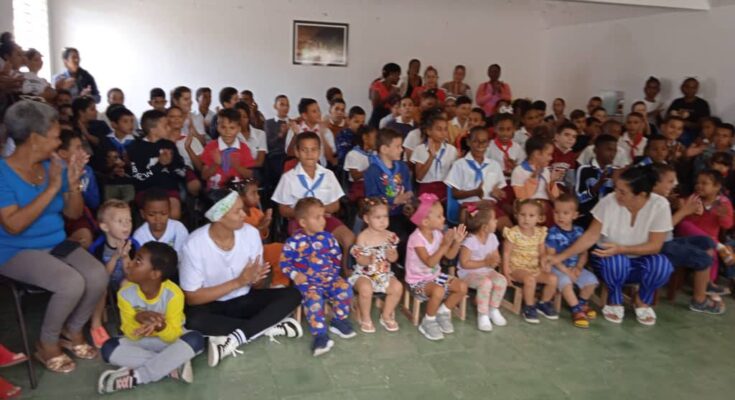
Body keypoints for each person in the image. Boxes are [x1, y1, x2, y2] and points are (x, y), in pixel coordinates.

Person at [0, 100, 105, 373]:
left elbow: (73, 213)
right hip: (15, 250)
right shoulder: (3, 173)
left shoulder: (52, 167)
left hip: (56, 243)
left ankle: (72, 331)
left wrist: (72, 184)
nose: (59, 142)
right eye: (56, 136)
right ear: (35, 138)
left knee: (97, 275)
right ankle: (47, 344)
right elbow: (13, 225)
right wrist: (53, 187)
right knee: (70, 282)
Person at [179, 190, 302, 367]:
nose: (244, 215)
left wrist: (256, 279)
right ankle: (268, 327)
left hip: (245, 299)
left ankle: (234, 338)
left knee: (293, 295)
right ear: (219, 217)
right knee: (193, 320)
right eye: (237, 211)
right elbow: (192, 298)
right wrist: (239, 282)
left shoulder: (251, 234)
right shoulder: (193, 245)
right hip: (212, 306)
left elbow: (257, 284)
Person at [548, 165, 674, 326]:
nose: (617, 194)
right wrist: (560, 257)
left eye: (623, 192)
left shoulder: (660, 205)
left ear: (641, 194)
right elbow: (591, 236)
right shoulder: (609, 201)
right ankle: (614, 301)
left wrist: (623, 249)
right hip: (608, 259)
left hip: (640, 260)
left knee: (662, 265)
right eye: (616, 189)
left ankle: (642, 300)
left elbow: (655, 246)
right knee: (617, 261)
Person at [98, 242, 204, 394]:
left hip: (170, 342)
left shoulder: (173, 294)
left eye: (138, 261)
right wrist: (138, 317)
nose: (130, 264)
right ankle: (172, 366)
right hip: (142, 342)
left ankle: (138, 377)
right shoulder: (125, 293)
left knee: (195, 339)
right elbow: (129, 333)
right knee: (108, 348)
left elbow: (173, 335)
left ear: (155, 274)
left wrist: (160, 326)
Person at [280, 198, 356, 356]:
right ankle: (320, 335)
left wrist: (334, 273)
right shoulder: (293, 242)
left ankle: (338, 321)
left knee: (345, 288)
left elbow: (336, 256)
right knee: (314, 300)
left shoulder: (328, 238)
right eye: (317, 217)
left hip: (329, 278)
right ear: (303, 222)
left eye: (323, 216)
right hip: (307, 282)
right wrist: (295, 274)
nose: (323, 220)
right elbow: (284, 263)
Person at [652, 164, 725, 314]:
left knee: (707, 242)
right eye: (670, 181)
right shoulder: (652, 201)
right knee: (703, 258)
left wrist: (678, 207)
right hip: (658, 245)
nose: (675, 184)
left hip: (667, 241)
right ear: (655, 183)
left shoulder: (661, 199)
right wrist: (684, 211)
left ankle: (706, 282)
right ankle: (699, 301)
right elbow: (661, 229)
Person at [273, 132, 355, 263]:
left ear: (319, 151)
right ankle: (307, 273)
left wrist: (318, 213)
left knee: (349, 239)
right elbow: (283, 209)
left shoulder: (328, 175)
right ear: (297, 152)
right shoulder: (288, 178)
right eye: (304, 150)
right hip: (300, 222)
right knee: (306, 246)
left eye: (313, 150)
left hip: (324, 219)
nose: (309, 154)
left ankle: (346, 271)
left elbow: (336, 205)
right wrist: (305, 215)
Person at [405, 193, 469, 341]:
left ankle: (443, 312)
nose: (444, 219)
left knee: (462, 287)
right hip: (417, 282)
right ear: (425, 221)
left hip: (435, 277)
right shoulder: (416, 239)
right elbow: (430, 263)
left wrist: (457, 242)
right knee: (438, 290)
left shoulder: (438, 234)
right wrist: (445, 244)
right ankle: (428, 321)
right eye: (439, 216)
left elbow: (450, 256)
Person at [88, 199, 140, 348]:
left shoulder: (133, 244)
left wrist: (125, 256)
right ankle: (96, 325)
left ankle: (129, 322)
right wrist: (115, 256)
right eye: (120, 221)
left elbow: (131, 274)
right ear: (104, 226)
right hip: (104, 283)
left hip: (124, 281)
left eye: (129, 220)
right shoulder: (98, 247)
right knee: (100, 287)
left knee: (127, 283)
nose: (126, 225)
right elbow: (101, 276)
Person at [350, 197, 403, 333]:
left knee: (397, 287)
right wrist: (367, 259)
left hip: (384, 274)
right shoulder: (363, 237)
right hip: (364, 274)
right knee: (365, 289)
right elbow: (359, 260)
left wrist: (392, 256)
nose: (382, 221)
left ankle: (386, 315)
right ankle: (366, 318)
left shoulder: (391, 236)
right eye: (378, 217)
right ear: (367, 219)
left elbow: (394, 258)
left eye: (385, 216)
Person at [545, 194, 599, 328]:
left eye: (565, 213)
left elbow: (583, 252)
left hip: (574, 267)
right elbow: (551, 257)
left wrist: (579, 267)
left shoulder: (579, 232)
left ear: (575, 215)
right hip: (557, 268)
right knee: (566, 282)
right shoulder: (552, 232)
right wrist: (567, 271)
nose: (560, 216)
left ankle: (582, 303)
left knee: (592, 281)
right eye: (557, 212)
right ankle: (576, 309)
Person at [502, 199, 558, 323]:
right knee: (530, 279)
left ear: (539, 218)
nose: (526, 219)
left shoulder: (539, 233)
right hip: (517, 268)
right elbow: (506, 253)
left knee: (553, 279)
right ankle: (529, 306)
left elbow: (542, 253)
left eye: (531, 216)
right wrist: (506, 272)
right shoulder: (513, 233)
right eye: (523, 215)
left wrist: (545, 264)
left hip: (534, 268)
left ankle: (544, 303)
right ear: (517, 215)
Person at [128, 110, 190, 220]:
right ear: (153, 130)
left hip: (169, 189)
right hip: (146, 191)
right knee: (156, 215)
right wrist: (160, 165)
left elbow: (181, 171)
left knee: (174, 213)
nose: (169, 128)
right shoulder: (136, 148)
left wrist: (170, 164)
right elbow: (139, 177)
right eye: (166, 126)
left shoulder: (169, 145)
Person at [364, 128, 414, 258]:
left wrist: (408, 203)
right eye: (397, 146)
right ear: (384, 149)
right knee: (400, 238)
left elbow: (408, 189)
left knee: (419, 230)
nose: (401, 150)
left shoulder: (402, 167)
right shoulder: (372, 171)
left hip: (403, 213)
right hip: (384, 217)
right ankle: (398, 264)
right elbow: (371, 199)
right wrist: (394, 200)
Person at [457, 205, 507, 331]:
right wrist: (485, 262)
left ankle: (493, 309)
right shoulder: (470, 241)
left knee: (501, 280)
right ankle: (483, 314)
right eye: (494, 219)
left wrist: (495, 261)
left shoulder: (493, 237)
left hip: (487, 271)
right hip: (468, 274)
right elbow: (464, 263)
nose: (496, 221)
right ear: (485, 227)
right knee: (486, 283)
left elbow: (495, 256)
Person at [445, 126, 508, 226]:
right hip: (469, 206)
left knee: (508, 228)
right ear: (468, 142)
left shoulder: (494, 165)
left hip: (489, 206)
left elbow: (500, 192)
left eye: (484, 141)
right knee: (475, 225)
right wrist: (474, 192)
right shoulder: (459, 165)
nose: (480, 145)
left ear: (488, 143)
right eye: (475, 141)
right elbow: (455, 194)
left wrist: (499, 194)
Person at [201, 108, 255, 190]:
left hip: (237, 190)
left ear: (238, 129)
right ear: (218, 127)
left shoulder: (244, 148)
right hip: (216, 190)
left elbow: (250, 175)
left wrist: (237, 167)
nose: (227, 132)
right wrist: (216, 164)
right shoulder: (211, 147)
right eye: (223, 127)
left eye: (232, 128)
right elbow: (204, 176)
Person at [411, 110, 457, 202]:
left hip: (445, 189)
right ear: (429, 131)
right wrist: (431, 157)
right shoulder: (420, 149)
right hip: (426, 189)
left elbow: (454, 175)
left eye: (445, 129)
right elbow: (419, 177)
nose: (443, 133)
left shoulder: (452, 150)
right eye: (439, 129)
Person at [575, 134, 620, 226]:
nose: (612, 154)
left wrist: (616, 184)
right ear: (595, 150)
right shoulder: (584, 170)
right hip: (587, 219)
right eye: (609, 149)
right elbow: (579, 198)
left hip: (609, 220)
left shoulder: (615, 172)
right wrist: (598, 185)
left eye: (615, 150)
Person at [133, 189, 190, 254]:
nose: (158, 219)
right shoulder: (139, 235)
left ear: (169, 211)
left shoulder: (179, 229)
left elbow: (183, 255)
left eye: (163, 213)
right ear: (143, 214)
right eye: (151, 215)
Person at [285, 98, 336, 167]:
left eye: (319, 110)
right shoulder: (295, 129)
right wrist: (295, 135)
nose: (319, 114)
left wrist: (322, 135)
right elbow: (290, 154)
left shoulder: (326, 131)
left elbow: (330, 158)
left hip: (321, 169)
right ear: (304, 115)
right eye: (314, 111)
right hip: (299, 168)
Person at [263, 94, 291, 199]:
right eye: (282, 104)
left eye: (287, 105)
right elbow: (269, 144)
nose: (285, 107)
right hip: (275, 157)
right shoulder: (269, 123)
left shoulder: (293, 122)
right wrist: (281, 134)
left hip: (290, 155)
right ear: (275, 106)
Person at [343, 126, 376, 202]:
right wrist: (371, 169)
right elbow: (355, 176)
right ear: (365, 138)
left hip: (372, 184)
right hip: (359, 187)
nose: (377, 141)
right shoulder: (353, 154)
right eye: (375, 137)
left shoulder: (374, 153)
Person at [486, 113, 525, 178]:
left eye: (508, 129)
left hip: (513, 180)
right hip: (494, 180)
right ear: (495, 129)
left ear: (514, 129)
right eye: (501, 129)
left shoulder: (517, 147)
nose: (505, 133)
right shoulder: (489, 146)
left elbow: (523, 168)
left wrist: (514, 166)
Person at [369, 63, 401, 128]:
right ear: (391, 74)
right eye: (397, 75)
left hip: (390, 117)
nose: (399, 78)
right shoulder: (377, 85)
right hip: (377, 117)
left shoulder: (394, 88)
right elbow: (376, 105)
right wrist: (390, 95)